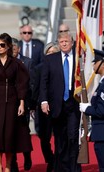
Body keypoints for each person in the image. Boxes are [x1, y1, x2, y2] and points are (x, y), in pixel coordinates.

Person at [0, 33, 32, 172]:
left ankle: (8, 166)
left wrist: (21, 103)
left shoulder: (16, 64)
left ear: (8, 46)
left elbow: (22, 84)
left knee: (9, 135)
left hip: (12, 102)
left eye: (2, 45)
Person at [39, 32, 81, 172]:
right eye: (61, 41)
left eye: (66, 41)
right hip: (56, 104)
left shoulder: (78, 58)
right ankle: (62, 167)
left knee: (73, 137)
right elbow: (44, 82)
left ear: (72, 42)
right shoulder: (50, 59)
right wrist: (44, 101)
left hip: (73, 103)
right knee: (60, 139)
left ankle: (74, 168)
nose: (63, 44)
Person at [32, 42, 59, 172]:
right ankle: (50, 159)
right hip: (43, 108)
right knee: (44, 137)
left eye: (54, 53)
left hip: (59, 106)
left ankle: (58, 161)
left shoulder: (63, 67)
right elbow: (36, 89)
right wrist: (32, 106)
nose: (51, 56)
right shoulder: (39, 68)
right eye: (49, 53)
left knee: (60, 136)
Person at [10, 37, 33, 172]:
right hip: (9, 105)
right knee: (10, 135)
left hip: (23, 104)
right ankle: (13, 163)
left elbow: (30, 83)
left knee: (24, 133)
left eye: (14, 49)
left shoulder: (27, 62)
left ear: (18, 49)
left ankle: (27, 156)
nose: (12, 51)